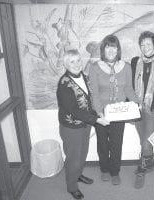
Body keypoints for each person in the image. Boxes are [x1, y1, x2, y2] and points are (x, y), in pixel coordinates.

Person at [56, 49, 110, 199]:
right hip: (71, 128)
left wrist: (98, 112)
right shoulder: (64, 84)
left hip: (84, 125)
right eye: (71, 62)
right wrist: (97, 120)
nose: (76, 64)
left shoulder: (84, 77)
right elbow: (73, 110)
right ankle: (71, 186)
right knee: (73, 157)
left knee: (82, 154)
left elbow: (88, 101)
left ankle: (77, 175)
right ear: (66, 64)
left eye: (78, 60)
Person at [89, 34, 138, 185]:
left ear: (118, 49)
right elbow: (94, 93)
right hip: (101, 112)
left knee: (117, 143)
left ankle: (115, 171)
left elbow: (129, 89)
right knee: (103, 143)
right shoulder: (95, 67)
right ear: (103, 49)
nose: (111, 50)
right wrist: (99, 113)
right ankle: (104, 169)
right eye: (108, 47)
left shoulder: (127, 67)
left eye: (114, 47)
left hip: (120, 113)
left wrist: (136, 103)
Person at [130, 31, 154, 189]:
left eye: (148, 44)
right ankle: (149, 161)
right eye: (142, 44)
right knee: (142, 138)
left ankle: (143, 167)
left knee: (146, 141)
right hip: (137, 107)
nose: (145, 48)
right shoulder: (134, 62)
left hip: (153, 108)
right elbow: (129, 85)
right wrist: (128, 107)